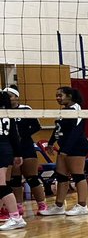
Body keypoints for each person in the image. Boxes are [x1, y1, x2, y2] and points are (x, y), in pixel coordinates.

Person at [38, 86, 88, 218]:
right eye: (56, 95)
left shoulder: (76, 109)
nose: (57, 98)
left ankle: (82, 206)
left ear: (70, 96)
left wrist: (66, 150)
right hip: (65, 147)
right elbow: (58, 129)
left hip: (77, 146)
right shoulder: (65, 111)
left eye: (60, 95)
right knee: (61, 176)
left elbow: (76, 132)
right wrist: (51, 143)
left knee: (78, 175)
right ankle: (59, 206)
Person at [2, 86, 48, 222]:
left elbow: (36, 126)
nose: (8, 98)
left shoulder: (25, 109)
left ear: (16, 96)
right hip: (11, 149)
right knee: (15, 180)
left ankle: (42, 205)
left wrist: (22, 135)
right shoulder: (4, 111)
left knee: (31, 177)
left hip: (26, 147)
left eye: (10, 95)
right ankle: (18, 206)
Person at [0, 91, 22, 232]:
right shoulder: (8, 114)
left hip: (1, 149)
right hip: (6, 149)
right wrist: (17, 154)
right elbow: (14, 135)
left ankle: (16, 218)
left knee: (1, 185)